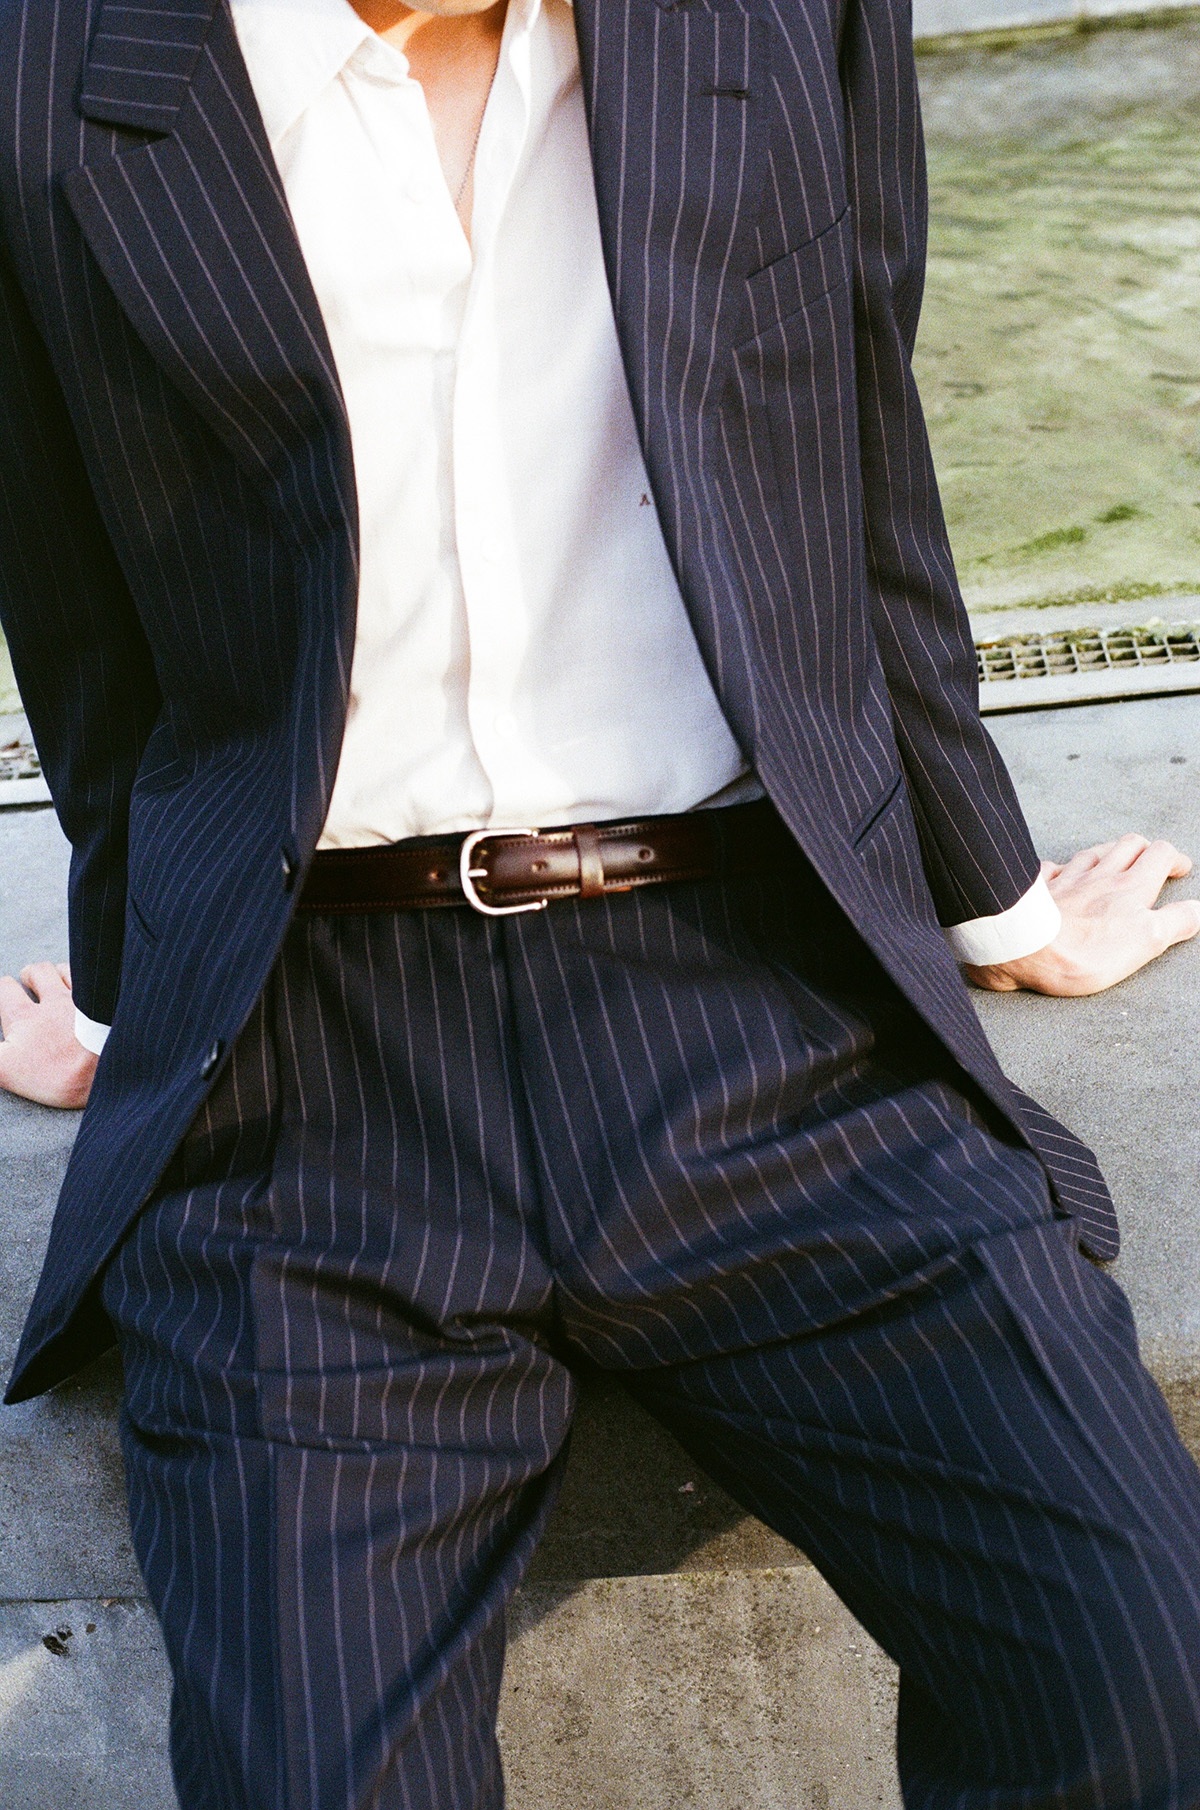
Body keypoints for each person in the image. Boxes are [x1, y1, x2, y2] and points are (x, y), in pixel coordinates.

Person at [2, 0, 1200, 1804]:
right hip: (311, 1079)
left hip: (763, 1012)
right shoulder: (53, 58)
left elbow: (864, 465)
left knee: (1146, 1667)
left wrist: (992, 896)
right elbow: (79, 610)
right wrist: (126, 1004)